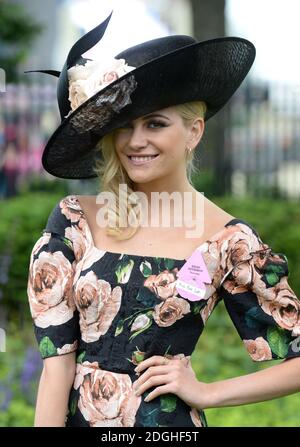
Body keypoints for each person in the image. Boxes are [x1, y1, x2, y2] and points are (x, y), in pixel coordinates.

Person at [26, 12, 300, 428]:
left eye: (156, 124)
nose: (136, 141)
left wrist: (208, 392)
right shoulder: (75, 221)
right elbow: (55, 371)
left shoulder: (229, 241)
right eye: (125, 126)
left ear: (194, 132)